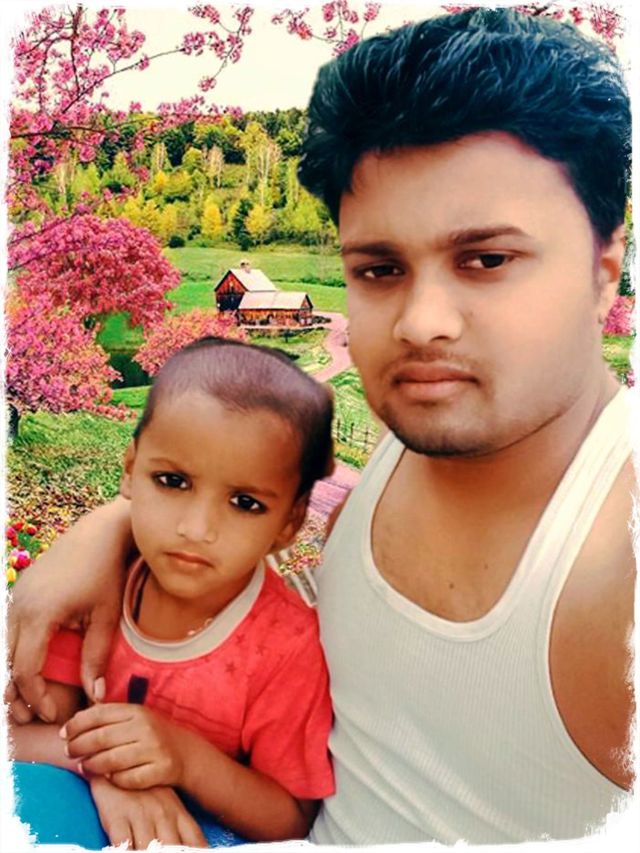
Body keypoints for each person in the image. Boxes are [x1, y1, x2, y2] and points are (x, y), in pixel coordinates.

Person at [7, 7, 636, 845]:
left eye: (487, 259)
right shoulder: (402, 449)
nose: (421, 322)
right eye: (378, 269)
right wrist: (112, 527)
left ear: (605, 271)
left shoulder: (615, 562)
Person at [9, 336, 335, 848]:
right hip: (84, 806)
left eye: (245, 503)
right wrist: (106, 769)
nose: (196, 528)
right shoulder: (93, 594)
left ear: (289, 524)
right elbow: (21, 733)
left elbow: (291, 819)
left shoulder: (287, 648)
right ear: (130, 470)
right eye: (172, 481)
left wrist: (184, 759)